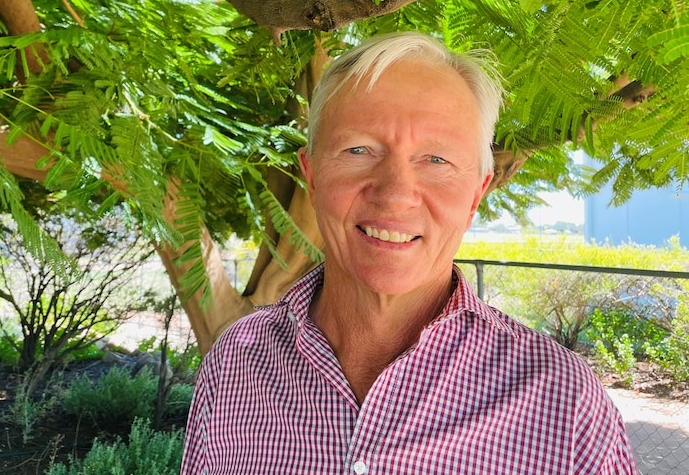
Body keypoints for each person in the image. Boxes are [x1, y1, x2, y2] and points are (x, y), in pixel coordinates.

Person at [180, 32, 638, 475]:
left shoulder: (565, 405)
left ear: (476, 194)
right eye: (358, 150)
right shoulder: (235, 362)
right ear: (313, 176)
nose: (396, 195)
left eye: (437, 160)